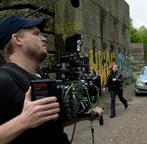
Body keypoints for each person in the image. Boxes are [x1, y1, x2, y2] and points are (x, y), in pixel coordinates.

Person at [0, 15, 103, 144]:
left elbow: (49, 125)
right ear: (17, 39)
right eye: (36, 34)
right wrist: (23, 121)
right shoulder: (4, 80)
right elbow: (29, 121)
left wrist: (84, 116)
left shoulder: (42, 77)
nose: (44, 39)